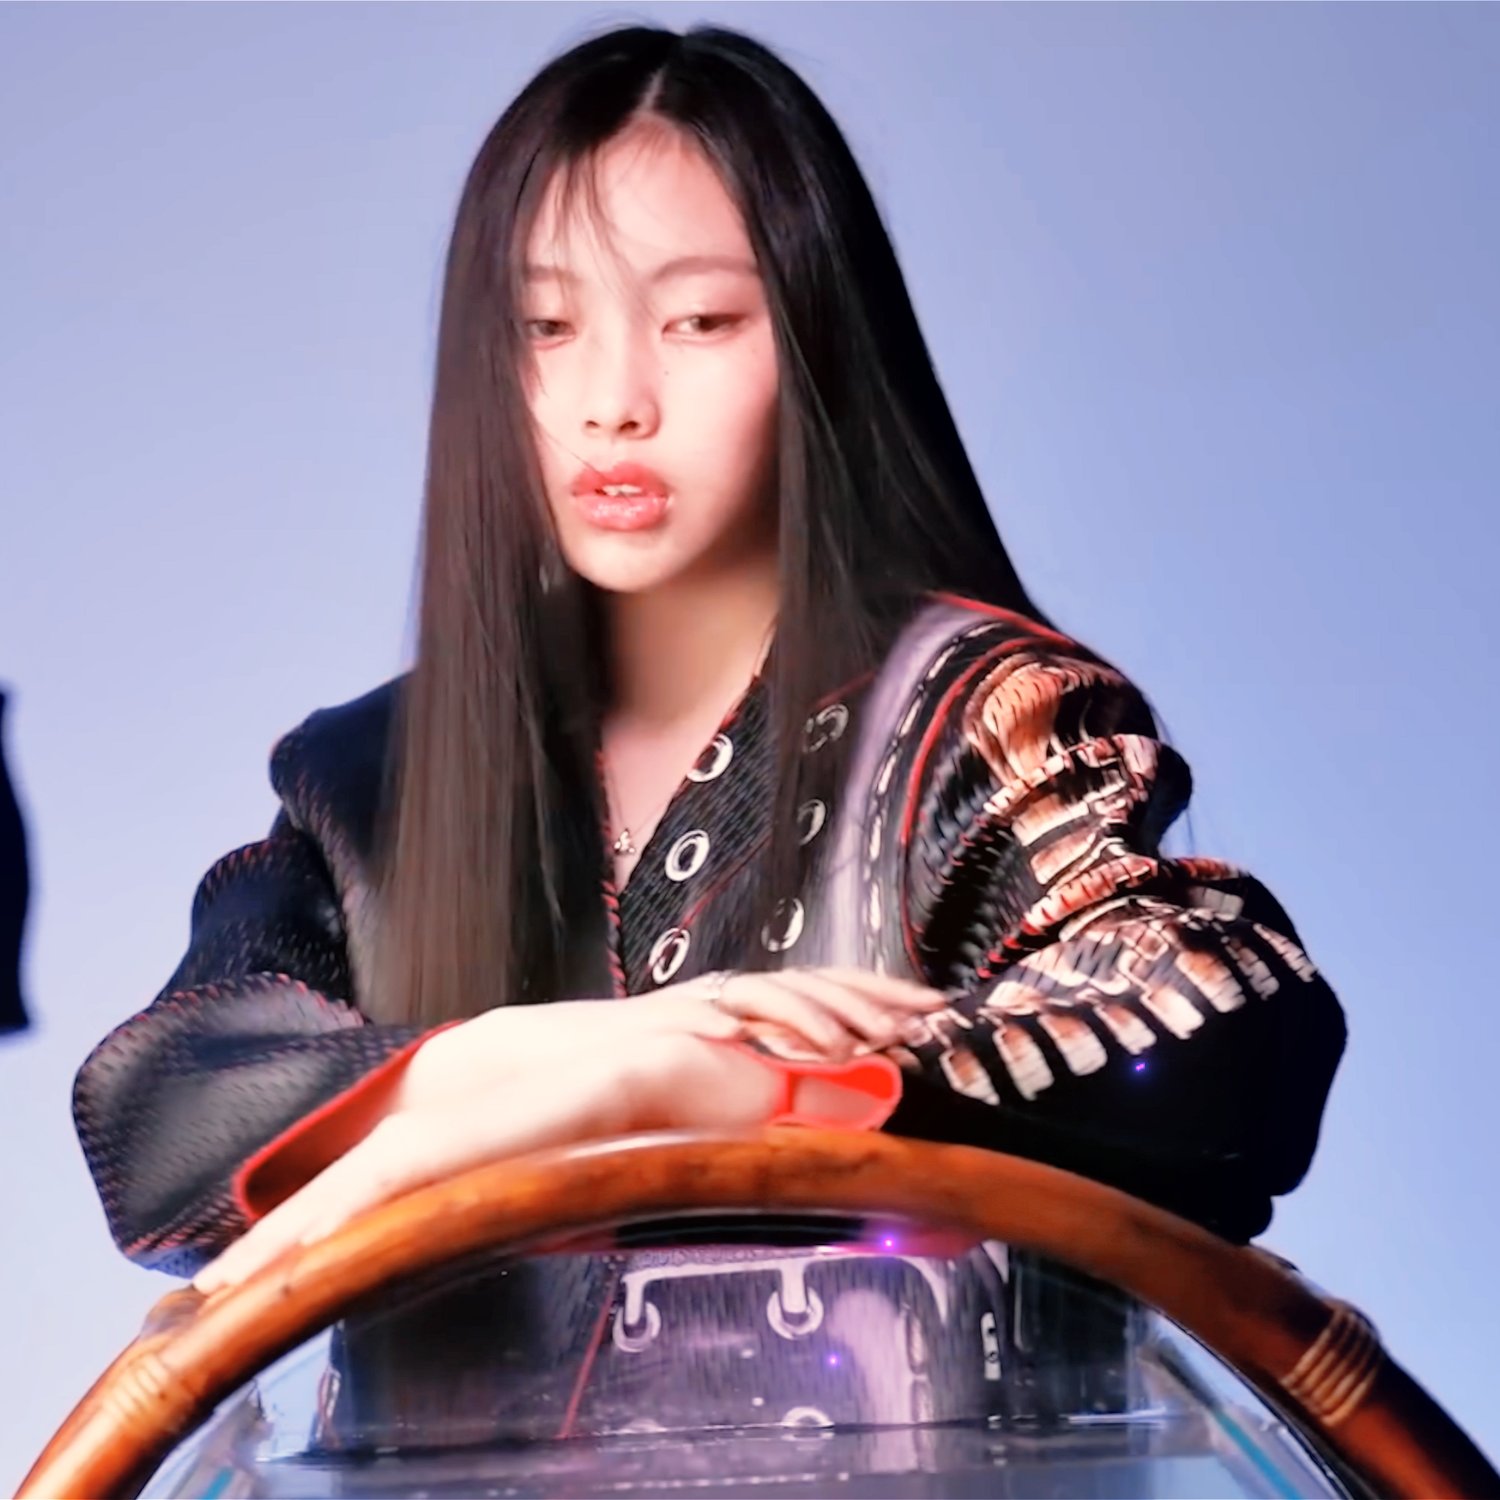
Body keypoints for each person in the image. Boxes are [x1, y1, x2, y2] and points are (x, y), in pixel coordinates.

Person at [73, 24, 1345, 1315]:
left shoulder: (971, 718)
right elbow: (156, 1117)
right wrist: (535, 1061)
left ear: (816, 340)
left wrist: (740, 1086)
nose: (612, 401)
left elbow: (1227, 1018)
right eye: (545, 326)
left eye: (698, 319)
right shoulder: (368, 778)